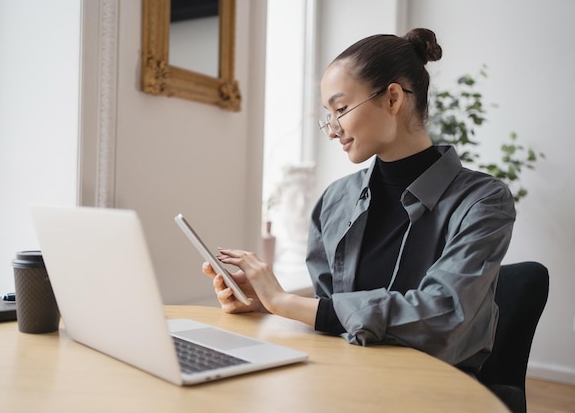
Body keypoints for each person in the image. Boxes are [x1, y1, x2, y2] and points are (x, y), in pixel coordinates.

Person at [202, 28, 516, 374]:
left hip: (437, 387)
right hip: (345, 377)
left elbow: (441, 314)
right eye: (328, 114)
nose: (332, 128)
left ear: (393, 99)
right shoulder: (334, 201)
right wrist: (267, 304)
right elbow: (333, 318)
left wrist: (285, 302)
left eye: (341, 108)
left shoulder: (483, 201)